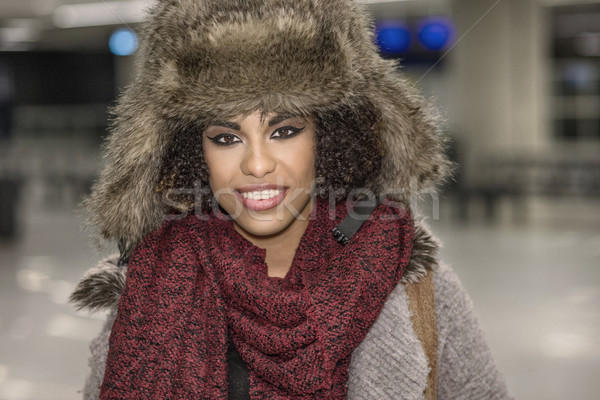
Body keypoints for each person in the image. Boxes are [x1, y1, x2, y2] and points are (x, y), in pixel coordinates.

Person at [70, 0, 513, 399]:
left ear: (331, 135)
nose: (257, 164)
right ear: (191, 153)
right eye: (226, 137)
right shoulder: (149, 283)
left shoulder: (415, 286)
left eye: (284, 131)